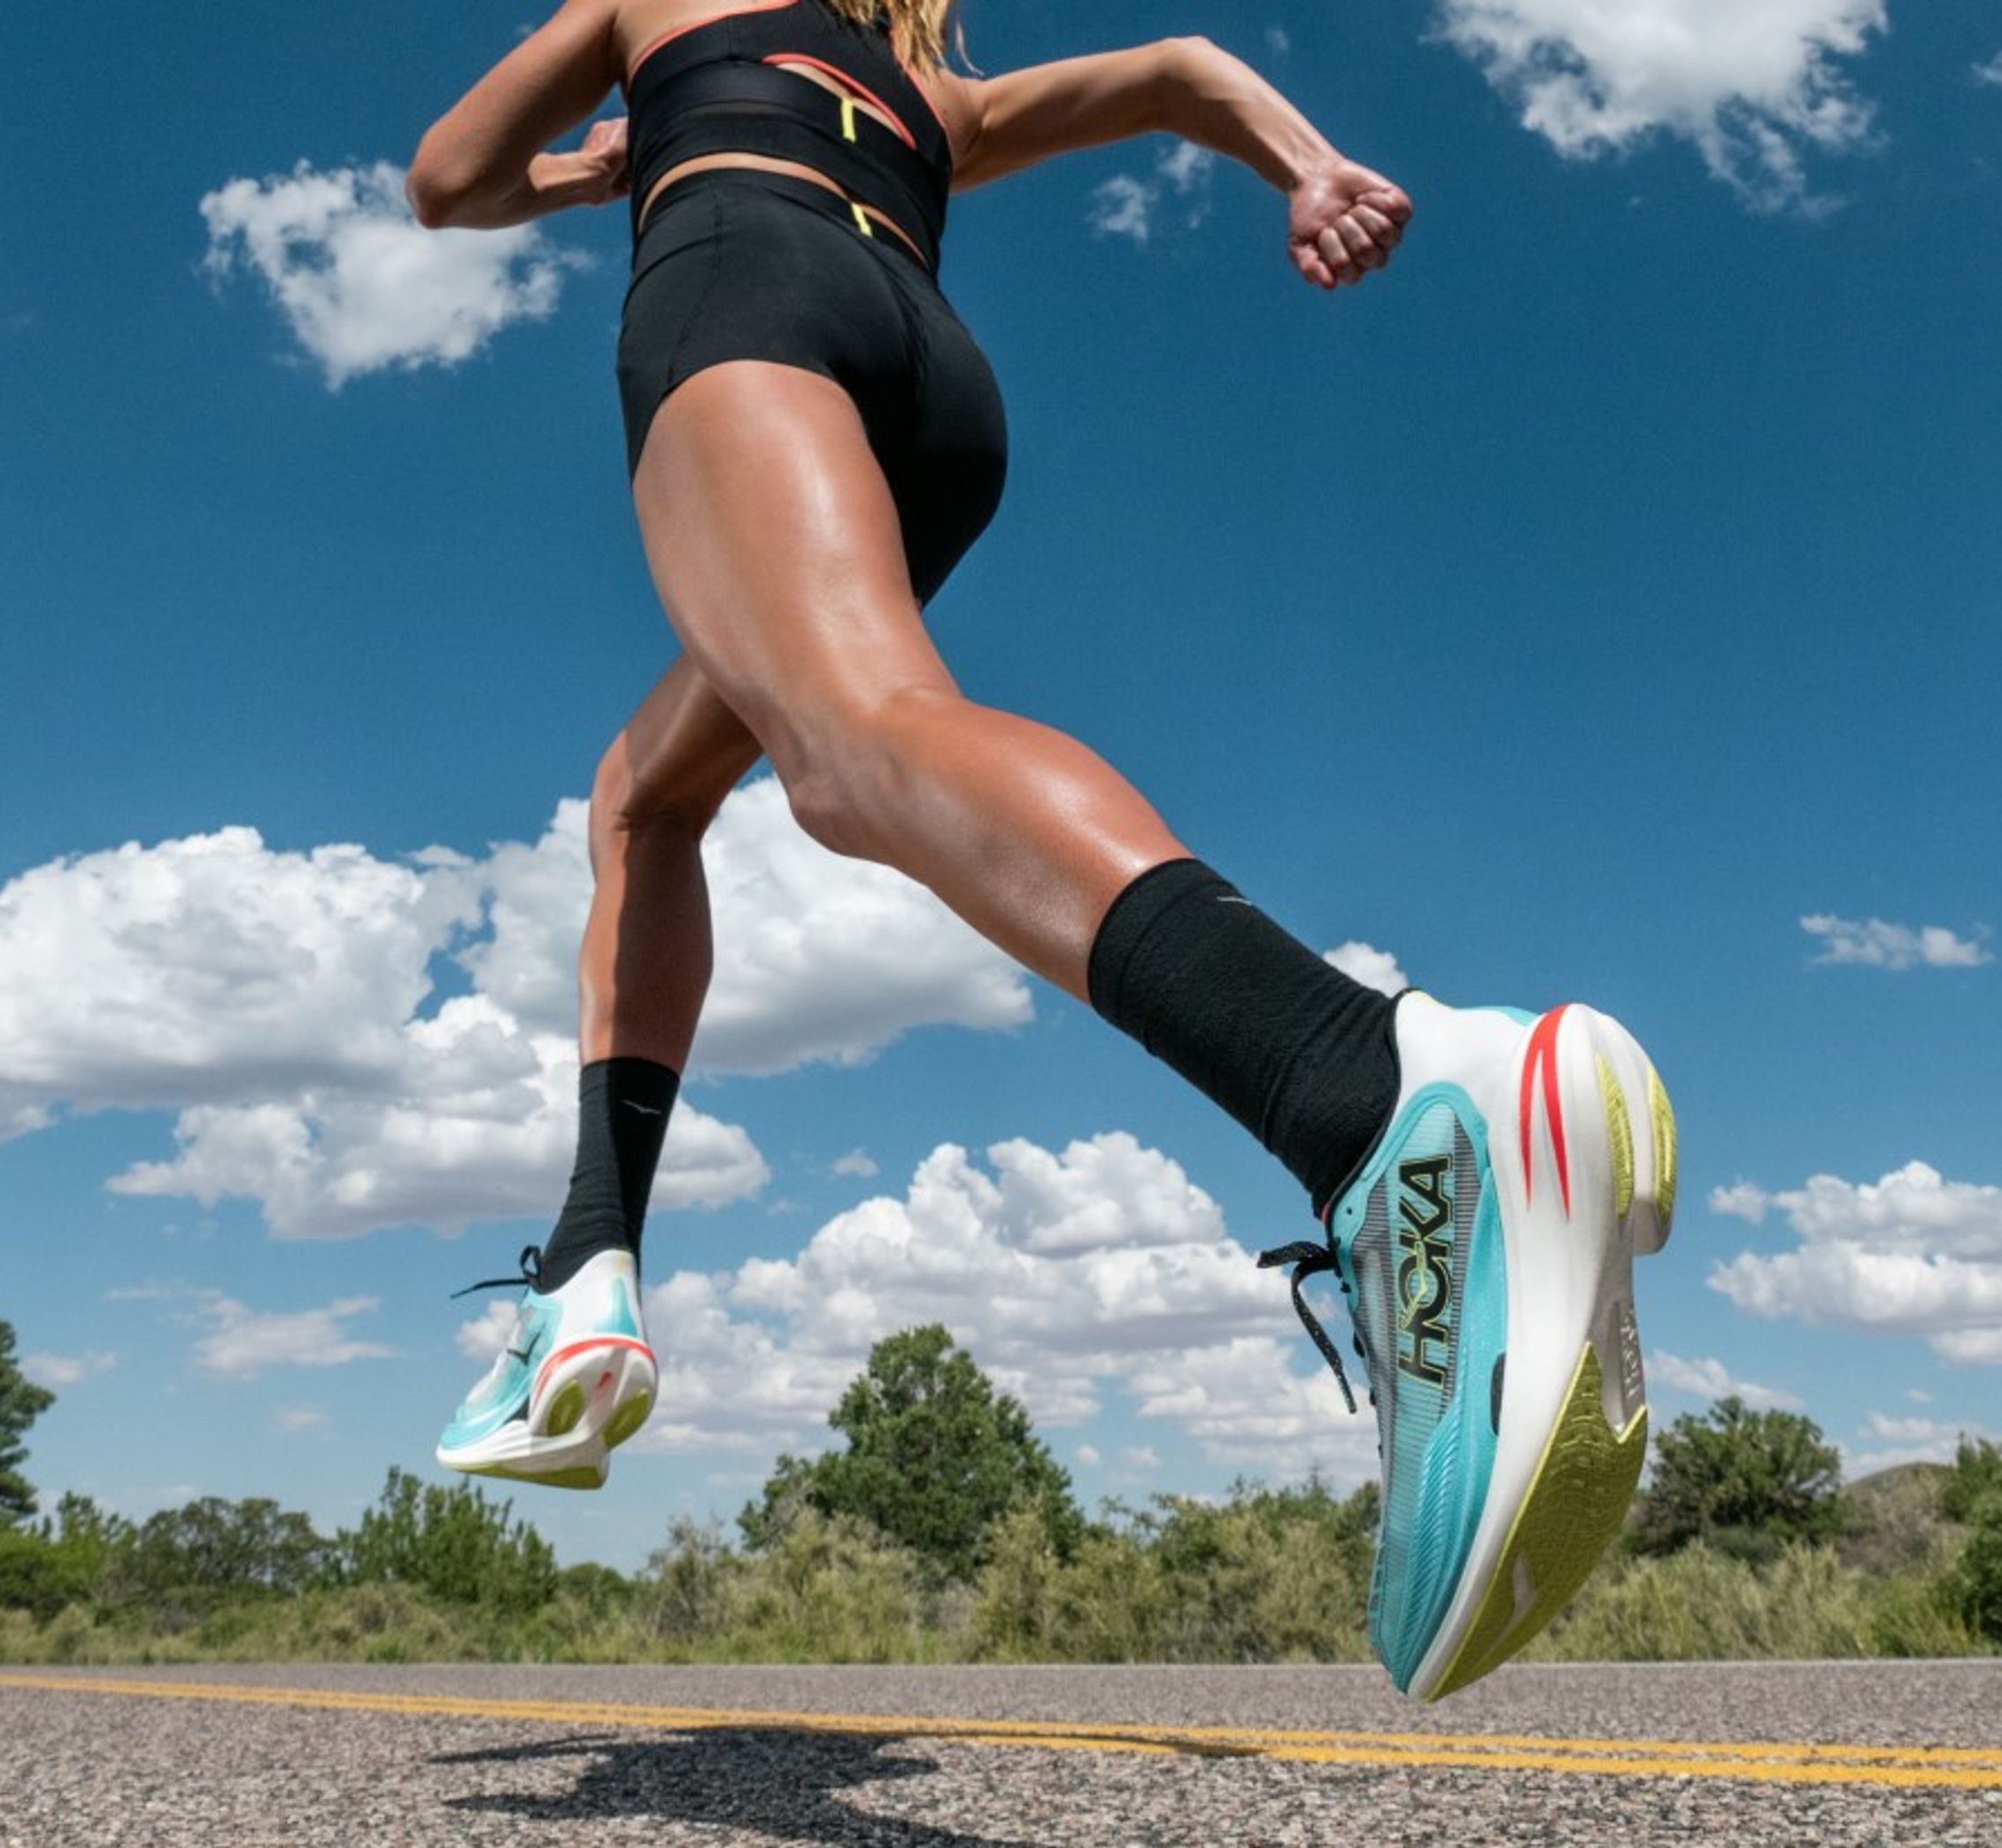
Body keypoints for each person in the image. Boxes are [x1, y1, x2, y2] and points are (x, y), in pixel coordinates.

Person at [406, 0, 1678, 1700]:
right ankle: (588, 1267)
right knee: (645, 793)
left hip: (742, 291)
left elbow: (449, 177)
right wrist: (1307, 169)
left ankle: (1377, 1089)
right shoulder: (941, 94)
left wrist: (595, 171)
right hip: (931, 390)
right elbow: (1175, 71)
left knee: (854, 749)